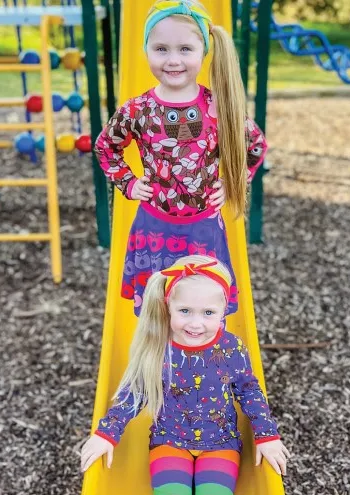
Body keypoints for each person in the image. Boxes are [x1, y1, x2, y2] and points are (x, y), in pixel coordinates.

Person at [80, 255, 290, 495]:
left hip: (220, 443)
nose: (196, 323)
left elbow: (249, 390)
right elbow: (135, 391)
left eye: (208, 313)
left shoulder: (230, 348)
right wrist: (107, 433)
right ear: (168, 308)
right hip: (169, 443)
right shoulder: (158, 348)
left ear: (224, 312)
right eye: (185, 312)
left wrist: (267, 435)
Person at [94, 0, 268, 316]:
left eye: (185, 49)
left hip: (204, 233)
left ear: (203, 52)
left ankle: (200, 366)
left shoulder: (219, 106)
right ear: (146, 50)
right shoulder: (137, 110)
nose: (173, 60)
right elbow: (106, 147)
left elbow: (254, 145)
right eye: (161, 49)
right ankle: (159, 367)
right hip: (153, 231)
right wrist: (129, 183)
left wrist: (233, 184)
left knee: (204, 314)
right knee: (158, 316)